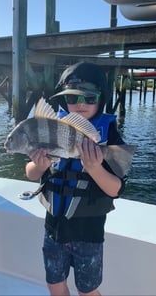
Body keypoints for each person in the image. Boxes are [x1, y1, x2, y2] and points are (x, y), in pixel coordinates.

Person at [26, 62, 127, 296]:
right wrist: (38, 165)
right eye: (72, 97)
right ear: (64, 100)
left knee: (88, 291)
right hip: (53, 228)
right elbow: (31, 173)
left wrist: (95, 169)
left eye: (89, 98)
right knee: (54, 284)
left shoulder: (109, 134)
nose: (80, 104)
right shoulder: (50, 127)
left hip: (88, 233)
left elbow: (116, 189)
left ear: (101, 98)